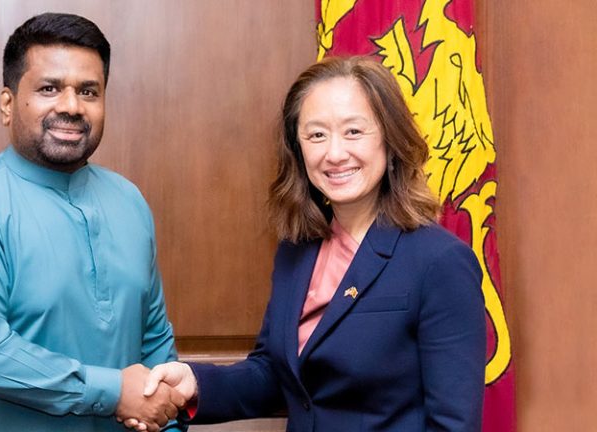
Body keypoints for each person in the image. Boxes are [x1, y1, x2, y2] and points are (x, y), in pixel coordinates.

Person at [134, 56, 486, 431]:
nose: (334, 153)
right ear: (298, 150)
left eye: (354, 132)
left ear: (390, 139)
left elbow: (453, 425)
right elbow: (275, 376)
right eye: (317, 135)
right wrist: (195, 384)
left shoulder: (440, 261)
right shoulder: (297, 250)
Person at [0, 13, 185, 432]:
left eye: (89, 91)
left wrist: (166, 421)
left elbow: (153, 339)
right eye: (48, 88)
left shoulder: (129, 201)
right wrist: (113, 391)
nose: (71, 106)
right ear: (8, 105)